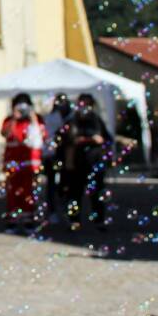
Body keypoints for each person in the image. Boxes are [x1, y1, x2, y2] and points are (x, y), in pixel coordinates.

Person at [61, 94, 113, 230]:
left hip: (95, 163)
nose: (84, 107)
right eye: (81, 104)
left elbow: (108, 139)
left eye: (87, 104)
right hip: (76, 164)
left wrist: (100, 140)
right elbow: (63, 141)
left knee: (96, 193)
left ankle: (99, 220)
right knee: (74, 194)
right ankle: (74, 221)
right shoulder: (71, 121)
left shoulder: (96, 121)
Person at [0, 93, 47, 233]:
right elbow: (4, 133)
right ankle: (12, 221)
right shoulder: (9, 120)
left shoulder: (35, 119)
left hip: (29, 162)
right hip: (12, 162)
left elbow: (41, 137)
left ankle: (28, 220)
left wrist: (33, 119)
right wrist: (14, 119)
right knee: (12, 192)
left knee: (28, 192)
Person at [41, 94, 73, 225]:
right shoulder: (50, 118)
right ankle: (52, 211)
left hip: (67, 155)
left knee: (65, 185)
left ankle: (65, 209)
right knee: (52, 184)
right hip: (52, 155)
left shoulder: (71, 119)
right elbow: (46, 136)